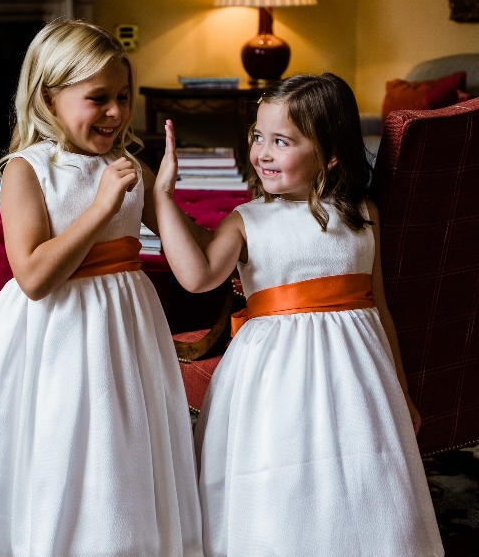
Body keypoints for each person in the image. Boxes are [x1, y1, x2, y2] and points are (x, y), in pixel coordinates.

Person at [0, 19, 205, 557]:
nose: (117, 112)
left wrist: (164, 193)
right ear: (49, 98)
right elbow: (32, 276)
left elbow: (189, 246)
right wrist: (100, 207)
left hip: (126, 327)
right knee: (62, 444)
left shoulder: (128, 166)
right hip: (56, 333)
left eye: (123, 96)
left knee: (122, 445)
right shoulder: (27, 170)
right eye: (98, 98)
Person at [153, 73, 443, 557]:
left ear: (329, 153)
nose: (262, 152)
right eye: (257, 137)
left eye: (281, 141)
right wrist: (163, 197)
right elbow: (198, 276)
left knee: (360, 481)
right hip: (272, 383)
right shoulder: (247, 220)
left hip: (358, 386)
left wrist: (403, 391)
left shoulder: (363, 214)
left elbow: (380, 307)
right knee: (277, 481)